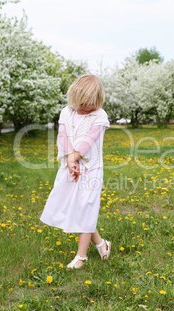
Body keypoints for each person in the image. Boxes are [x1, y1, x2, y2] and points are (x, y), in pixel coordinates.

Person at [40, 74, 111, 269]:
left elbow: (90, 140)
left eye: (91, 104)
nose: (86, 108)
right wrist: (70, 159)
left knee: (85, 207)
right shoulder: (66, 112)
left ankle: (81, 257)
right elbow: (63, 135)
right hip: (70, 168)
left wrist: (75, 157)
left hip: (90, 170)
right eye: (82, 104)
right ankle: (101, 244)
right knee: (78, 209)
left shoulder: (100, 116)